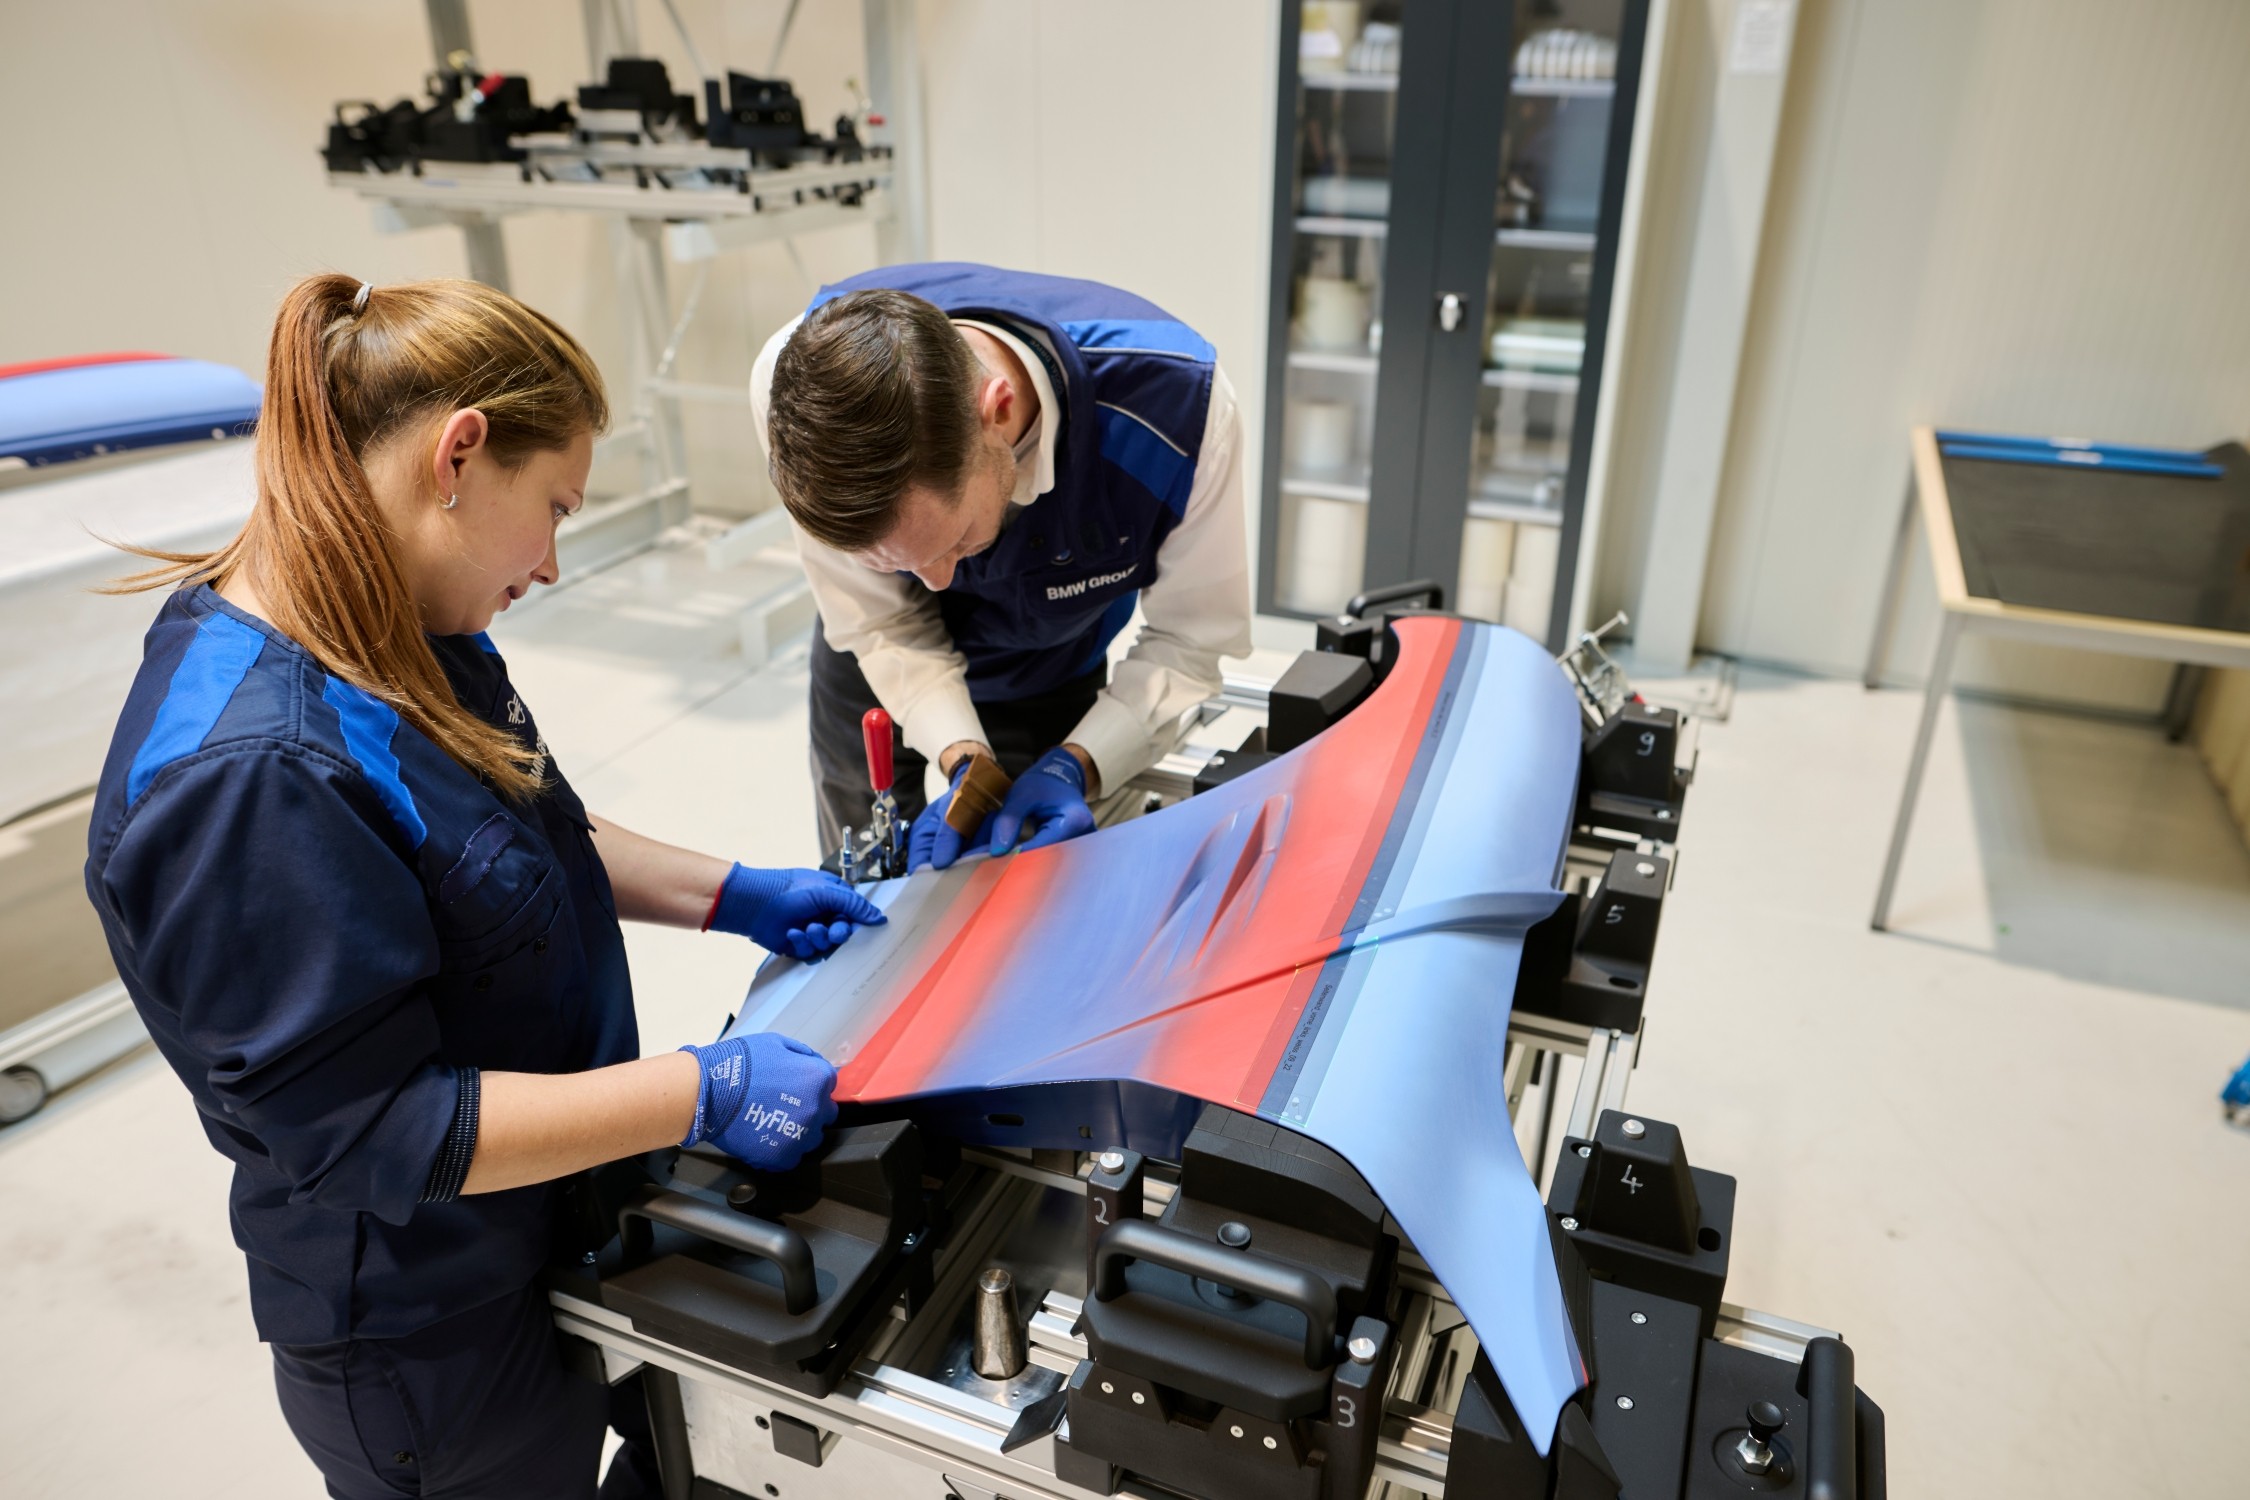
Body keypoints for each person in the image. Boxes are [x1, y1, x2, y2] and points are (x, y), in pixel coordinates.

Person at [81, 275, 882, 1499]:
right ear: (457, 455)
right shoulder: (250, 781)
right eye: (554, 507)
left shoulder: (401, 621)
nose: (552, 562)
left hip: (544, 1226)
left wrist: (732, 893)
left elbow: (517, 833)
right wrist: (698, 1090)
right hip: (429, 1339)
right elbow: (379, 1130)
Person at [751, 263, 1252, 871]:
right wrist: (964, 758)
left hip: (1049, 664)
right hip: (874, 659)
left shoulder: (1182, 409)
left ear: (999, 410)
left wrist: (1077, 763)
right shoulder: (799, 395)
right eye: (899, 563)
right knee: (864, 875)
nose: (937, 584)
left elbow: (1191, 640)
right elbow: (884, 622)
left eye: (955, 541)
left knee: (1029, 882)